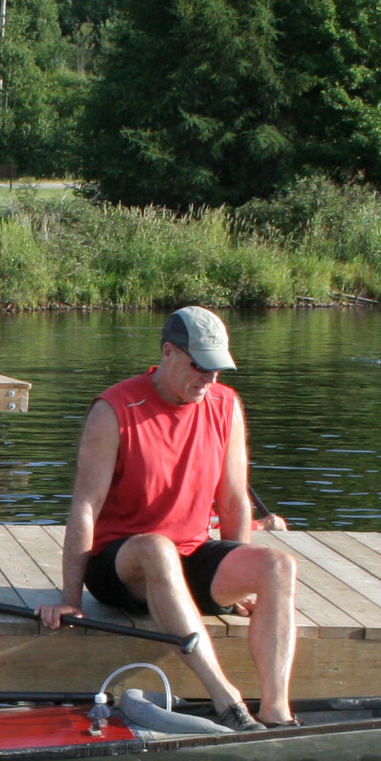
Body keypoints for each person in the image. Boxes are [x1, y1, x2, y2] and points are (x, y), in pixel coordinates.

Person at [36, 305, 299, 730]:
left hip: (190, 554)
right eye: (200, 367)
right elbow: (86, 505)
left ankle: (276, 712)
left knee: (279, 565)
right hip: (122, 566)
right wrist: (70, 598)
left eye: (217, 370)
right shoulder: (115, 408)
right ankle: (227, 700)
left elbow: (232, 500)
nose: (209, 379)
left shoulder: (225, 404)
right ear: (169, 353)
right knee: (157, 549)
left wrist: (236, 577)